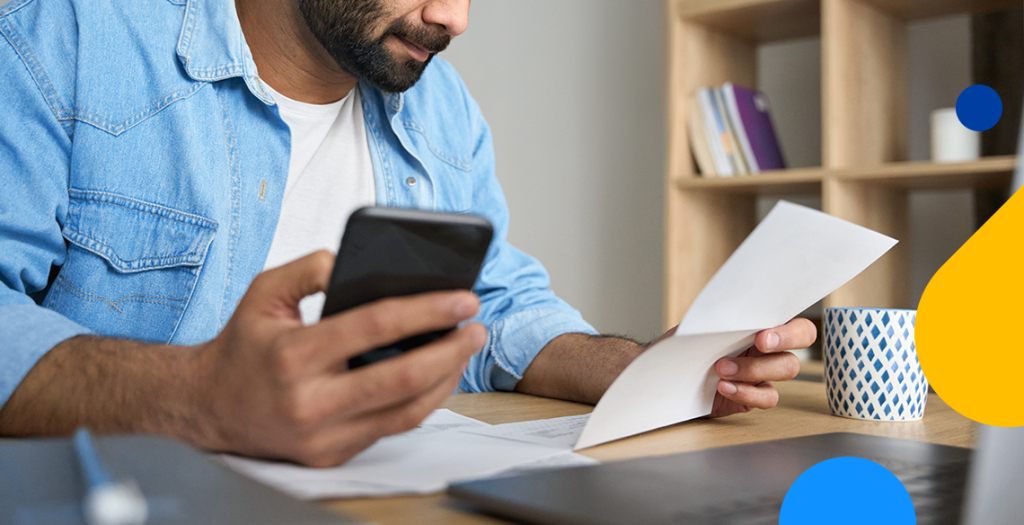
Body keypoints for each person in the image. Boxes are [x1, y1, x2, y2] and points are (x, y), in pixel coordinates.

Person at [0, 0, 815, 467]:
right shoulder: (59, 40)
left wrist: (639, 369)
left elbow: (493, 302)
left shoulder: (439, 104)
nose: (452, 16)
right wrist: (199, 398)